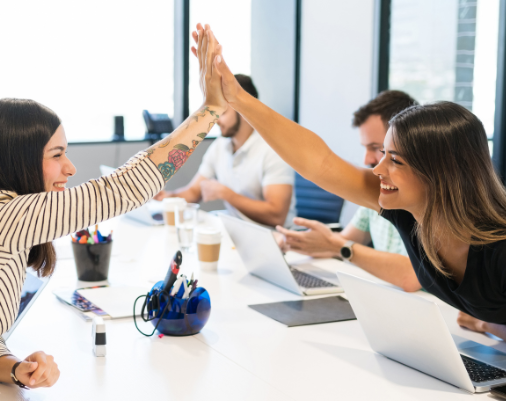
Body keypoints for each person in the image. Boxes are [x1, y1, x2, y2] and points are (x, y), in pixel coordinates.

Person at [0, 24, 225, 388]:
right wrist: (210, 110)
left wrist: (15, 367)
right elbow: (123, 187)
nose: (70, 167)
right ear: (16, 161)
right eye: (57, 154)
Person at [201, 25, 506, 340]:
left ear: (440, 175)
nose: (377, 169)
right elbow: (320, 163)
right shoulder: (411, 210)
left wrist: (488, 325)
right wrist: (237, 99)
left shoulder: (498, 250)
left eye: (395, 160)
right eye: (383, 153)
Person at [276, 91, 421, 293]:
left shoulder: (424, 199)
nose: (367, 160)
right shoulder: (380, 190)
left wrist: (340, 247)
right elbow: (343, 241)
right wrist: (295, 241)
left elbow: (413, 275)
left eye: (377, 148)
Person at [155, 74, 295, 227]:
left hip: (274, 238)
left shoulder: (272, 150)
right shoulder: (220, 145)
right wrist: (169, 196)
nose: (216, 121)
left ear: (244, 110)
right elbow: (194, 191)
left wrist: (226, 194)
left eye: (222, 113)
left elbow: (276, 216)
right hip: (237, 230)